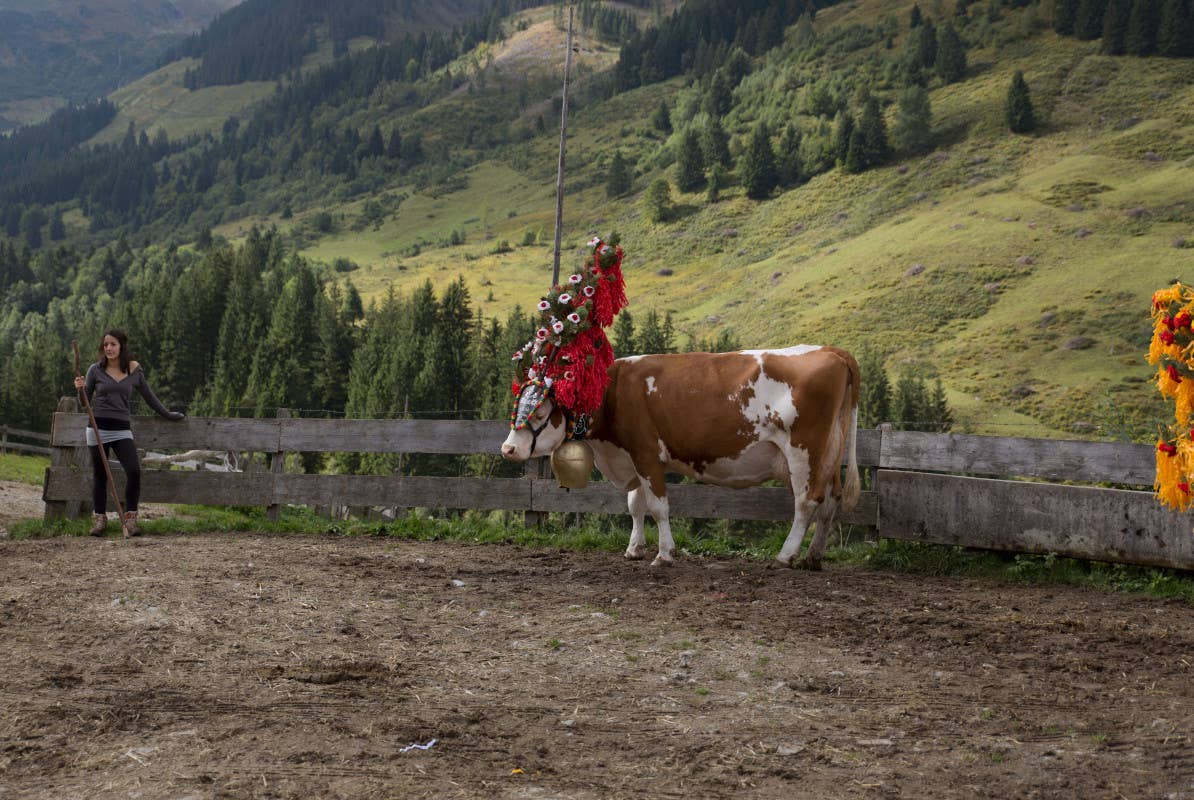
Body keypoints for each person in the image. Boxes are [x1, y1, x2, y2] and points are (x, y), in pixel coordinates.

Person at [73, 329, 185, 536]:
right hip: (97, 427)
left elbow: (149, 397)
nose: (108, 348)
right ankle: (100, 521)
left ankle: (131, 520)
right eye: (106, 344)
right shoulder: (94, 370)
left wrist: (167, 414)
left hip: (122, 429)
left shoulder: (134, 370)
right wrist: (80, 389)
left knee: (133, 470)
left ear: (122, 346)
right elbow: (84, 403)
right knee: (100, 475)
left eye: (113, 344)